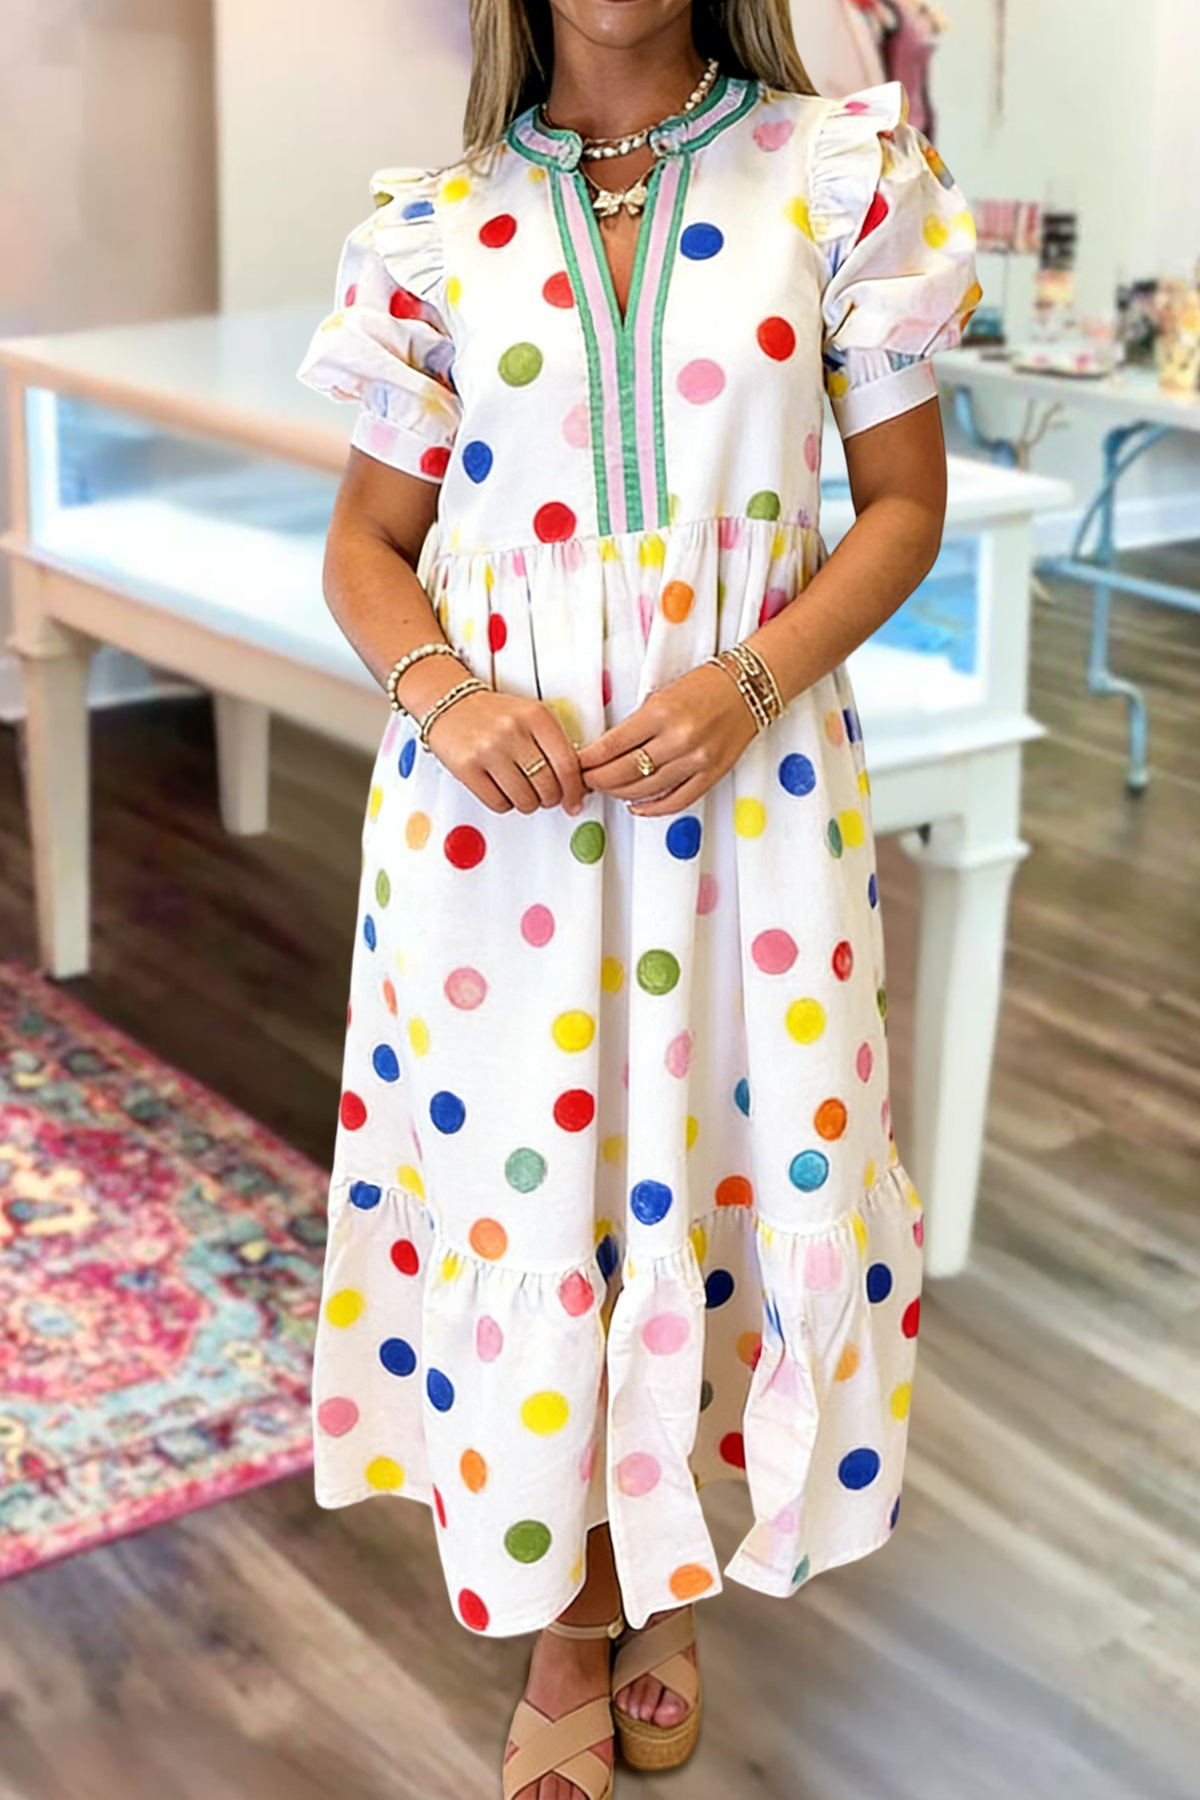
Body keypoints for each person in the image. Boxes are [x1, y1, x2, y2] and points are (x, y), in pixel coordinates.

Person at [296, 2, 980, 1794]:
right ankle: (574, 1616)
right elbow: (366, 546)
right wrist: (445, 696)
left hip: (753, 808)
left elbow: (900, 506)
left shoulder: (839, 175)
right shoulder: (435, 224)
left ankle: (662, 1567)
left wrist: (750, 684)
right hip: (494, 834)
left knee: (721, 1171)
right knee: (547, 1191)